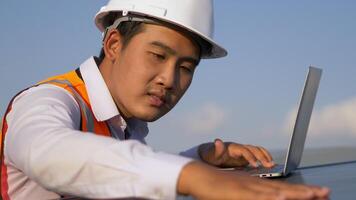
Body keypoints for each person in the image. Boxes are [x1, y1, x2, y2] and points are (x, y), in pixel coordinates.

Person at [0, 0, 330, 199]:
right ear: (114, 44)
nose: (169, 79)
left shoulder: (125, 121)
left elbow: (120, 176)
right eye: (157, 55)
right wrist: (192, 176)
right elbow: (48, 153)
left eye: (186, 67)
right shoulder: (47, 101)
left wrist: (199, 158)